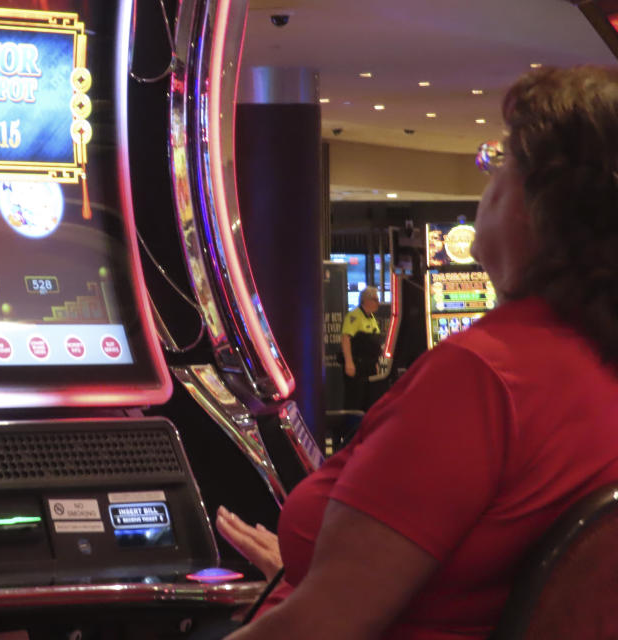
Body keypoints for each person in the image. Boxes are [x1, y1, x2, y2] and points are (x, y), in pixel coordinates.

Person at [214, 65, 618, 639]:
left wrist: (324, 592)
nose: (490, 180)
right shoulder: (591, 359)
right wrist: (316, 577)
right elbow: (490, 579)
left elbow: (322, 628)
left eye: (502, 161)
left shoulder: (482, 375)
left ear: (541, 203)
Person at [341, 286, 383, 411]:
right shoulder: (354, 316)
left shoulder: (371, 318)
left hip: (369, 367)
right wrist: (349, 363)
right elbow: (345, 338)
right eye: (375, 300)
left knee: (369, 402)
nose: (378, 303)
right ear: (366, 300)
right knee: (355, 402)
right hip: (357, 365)